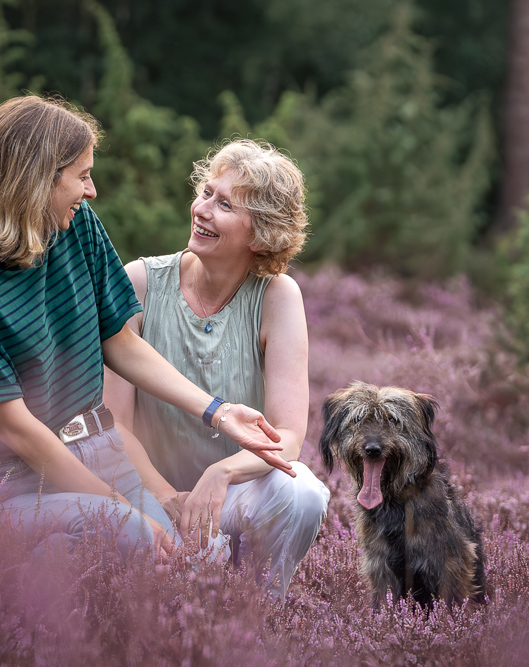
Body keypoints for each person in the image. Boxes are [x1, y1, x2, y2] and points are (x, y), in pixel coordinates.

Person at [0, 96, 292, 562]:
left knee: (192, 567)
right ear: (37, 178)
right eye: (81, 176)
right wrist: (118, 510)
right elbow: (19, 432)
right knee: (129, 541)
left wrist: (217, 412)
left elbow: (119, 340)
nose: (92, 191)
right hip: (21, 483)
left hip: (105, 451)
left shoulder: (75, 228)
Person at [103, 138, 330, 597]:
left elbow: (288, 437)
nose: (202, 209)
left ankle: (261, 615)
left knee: (304, 492)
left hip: (230, 496)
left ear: (261, 233)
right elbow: (114, 425)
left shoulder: (278, 297)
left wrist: (221, 474)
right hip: (145, 493)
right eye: (206, 193)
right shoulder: (141, 283)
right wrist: (166, 496)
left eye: (224, 204)